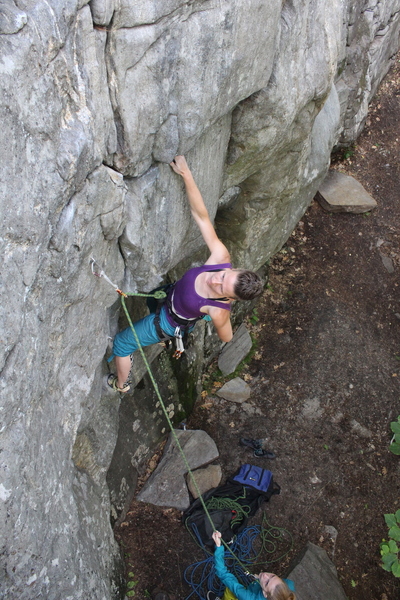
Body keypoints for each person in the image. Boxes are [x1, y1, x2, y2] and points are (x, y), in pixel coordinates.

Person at [107, 156, 263, 392]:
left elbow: (228, 338)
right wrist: (187, 174)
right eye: (223, 276)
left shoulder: (219, 310)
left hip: (168, 322)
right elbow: (201, 216)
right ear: (232, 268)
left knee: (122, 344)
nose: (214, 280)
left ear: (229, 299)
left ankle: (121, 384)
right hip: (169, 298)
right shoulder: (220, 258)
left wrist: (218, 314)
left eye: (221, 288)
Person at [209, 531, 296, 600]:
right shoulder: (287, 586)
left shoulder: (249, 598)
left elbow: (223, 574)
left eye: (266, 582)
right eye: (272, 576)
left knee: (230, 590)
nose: (265, 575)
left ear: (265, 594)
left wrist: (219, 546)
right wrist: (260, 580)